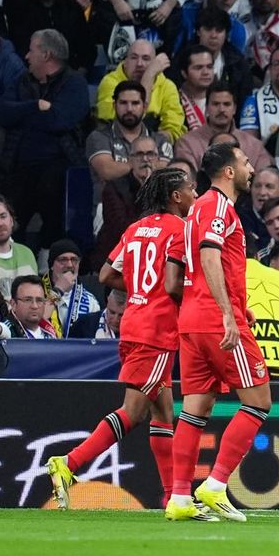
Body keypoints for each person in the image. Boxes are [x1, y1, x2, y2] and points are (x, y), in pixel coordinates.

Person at [47, 167, 196, 509]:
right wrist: (160, 290)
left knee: (163, 413)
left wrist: (143, 289)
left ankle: (172, 496)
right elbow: (177, 281)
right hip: (157, 330)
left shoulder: (136, 229)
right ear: (175, 196)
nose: (194, 194)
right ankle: (68, 464)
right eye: (190, 189)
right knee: (134, 411)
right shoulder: (181, 230)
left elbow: (105, 274)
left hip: (132, 323)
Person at [163, 143, 271, 524]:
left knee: (195, 409)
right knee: (258, 401)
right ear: (228, 171)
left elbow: (185, 274)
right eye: (244, 163)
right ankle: (215, 484)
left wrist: (240, 306)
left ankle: (178, 497)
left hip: (192, 320)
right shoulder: (218, 207)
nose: (250, 169)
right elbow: (209, 255)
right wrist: (228, 313)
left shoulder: (195, 210)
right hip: (216, 322)